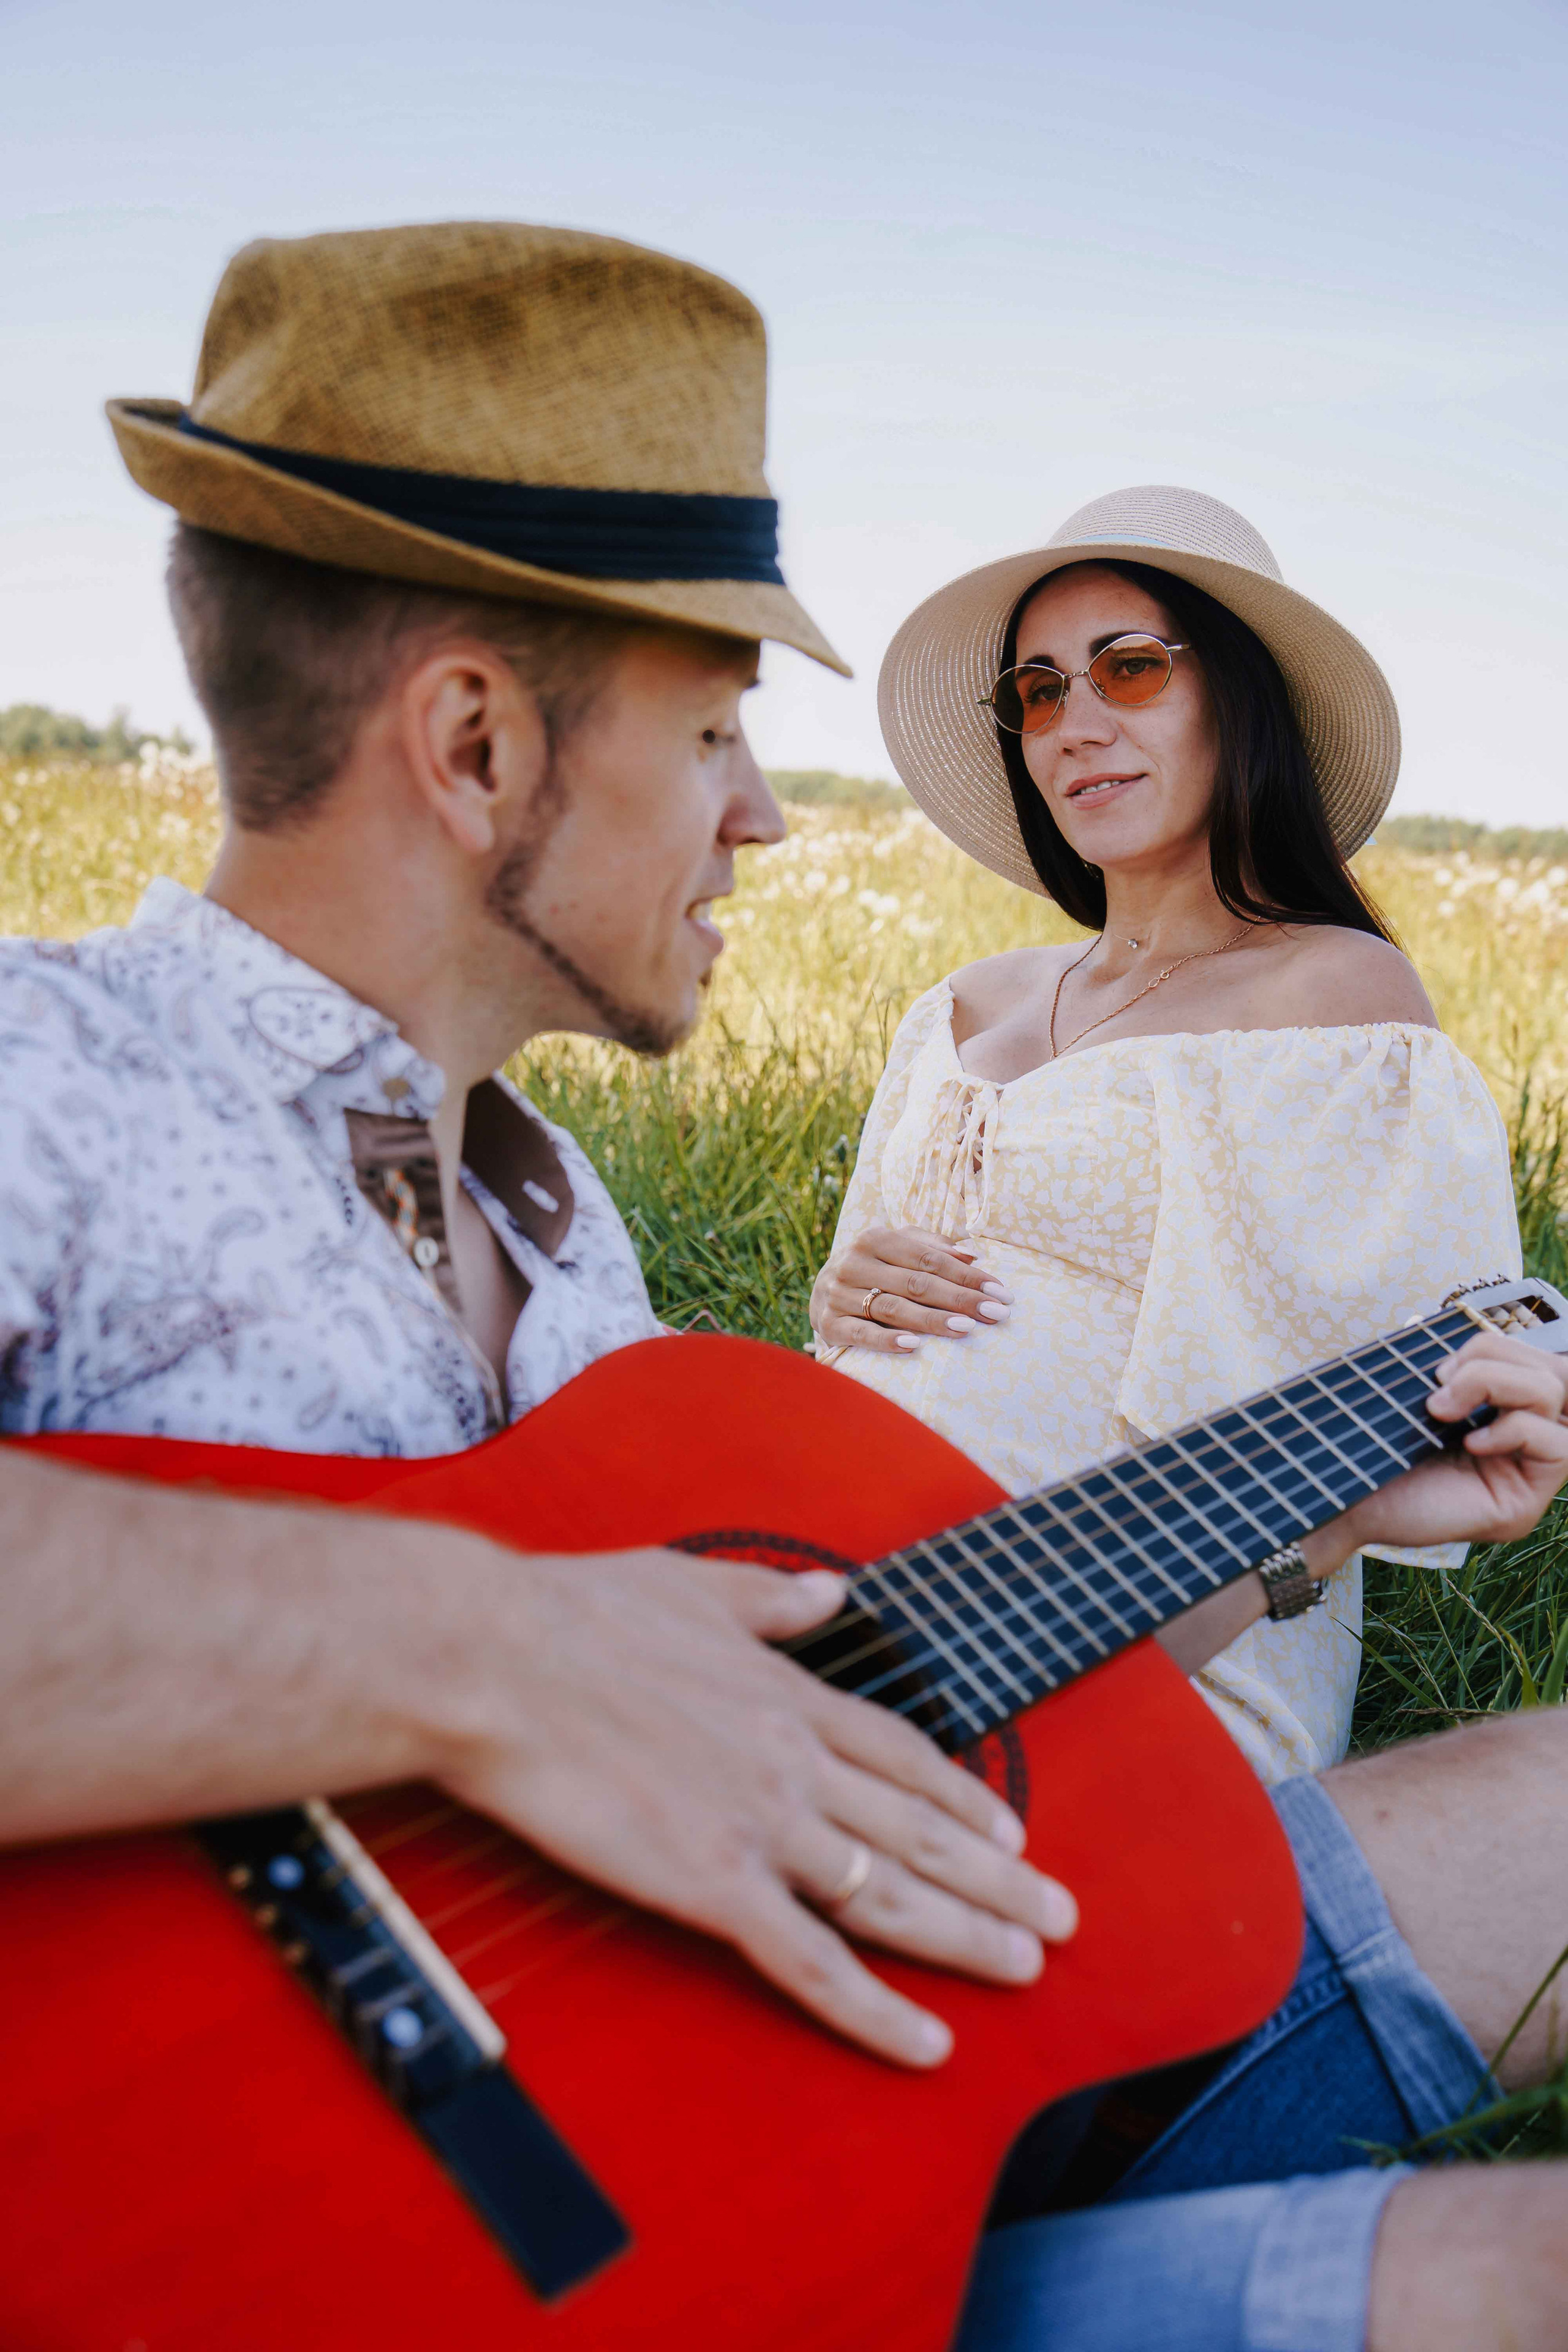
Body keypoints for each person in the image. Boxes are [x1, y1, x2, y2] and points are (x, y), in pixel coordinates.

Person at [0, 221, 1083, 2071]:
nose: (763, 818)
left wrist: (1307, 1522)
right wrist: (477, 1642)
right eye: (717, 728)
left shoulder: (556, 1213)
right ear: (478, 747)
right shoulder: (43, 1070)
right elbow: (544, 1655)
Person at [811, 485, 1520, 1786]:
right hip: (830, 1570)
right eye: (1035, 691)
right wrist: (840, 1291)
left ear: (1234, 702)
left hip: (1149, 1638)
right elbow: (851, 1321)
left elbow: (1374, 1422)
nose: (1073, 723)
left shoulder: (1335, 1001)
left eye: (1128, 669)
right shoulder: (963, 1003)